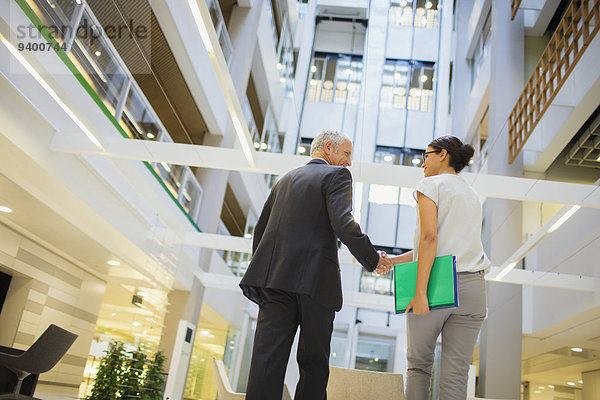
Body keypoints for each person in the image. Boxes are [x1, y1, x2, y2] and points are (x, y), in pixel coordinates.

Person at [240, 129, 393, 400]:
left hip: (274, 283)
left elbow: (261, 233)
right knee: (313, 364)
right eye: (346, 154)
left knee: (266, 361)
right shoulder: (337, 175)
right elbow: (344, 224)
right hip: (315, 283)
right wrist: (372, 260)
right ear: (328, 148)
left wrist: (268, 272)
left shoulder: (284, 180)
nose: (348, 162)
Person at [377, 135, 490, 400]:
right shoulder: (471, 194)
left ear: (442, 154)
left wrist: (420, 293)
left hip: (437, 285)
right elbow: (435, 246)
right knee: (456, 374)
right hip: (474, 290)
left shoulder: (430, 185)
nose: (422, 163)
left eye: (426, 156)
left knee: (419, 367)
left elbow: (430, 239)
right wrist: (391, 261)